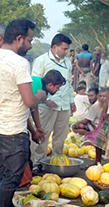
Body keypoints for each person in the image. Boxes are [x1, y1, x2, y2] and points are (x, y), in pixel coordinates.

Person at [0, 18, 47, 207]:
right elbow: (29, 101)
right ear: (18, 39)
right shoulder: (19, 63)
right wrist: (41, 94)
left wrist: (4, 98)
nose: (30, 44)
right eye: (29, 39)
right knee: (13, 176)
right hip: (12, 130)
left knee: (2, 172)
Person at [30, 33, 76, 165]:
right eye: (64, 49)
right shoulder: (41, 61)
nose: (67, 52)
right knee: (43, 135)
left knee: (60, 137)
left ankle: (58, 162)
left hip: (64, 105)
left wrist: (71, 101)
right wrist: (45, 100)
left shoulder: (67, 62)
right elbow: (34, 85)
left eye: (67, 49)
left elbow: (68, 83)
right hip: (46, 106)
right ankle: (39, 163)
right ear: (54, 47)